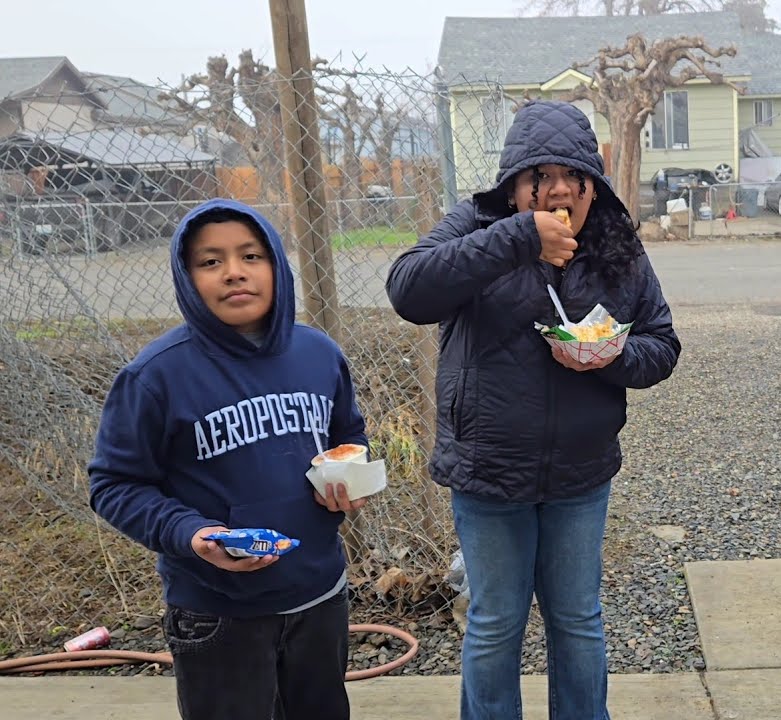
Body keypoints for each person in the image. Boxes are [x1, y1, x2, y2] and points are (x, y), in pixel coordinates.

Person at [386, 100, 680, 719]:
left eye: (574, 179)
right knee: (494, 624)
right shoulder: (478, 224)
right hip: (489, 473)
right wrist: (518, 239)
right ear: (513, 185)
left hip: (580, 471)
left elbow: (662, 343)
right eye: (539, 178)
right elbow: (408, 289)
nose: (558, 191)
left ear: (592, 187)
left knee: (578, 620)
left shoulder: (615, 246)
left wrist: (615, 359)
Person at [88, 199, 369, 720]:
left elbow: (348, 432)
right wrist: (190, 535)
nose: (234, 272)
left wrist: (350, 475)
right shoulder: (156, 376)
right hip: (217, 610)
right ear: (186, 276)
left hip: (319, 594)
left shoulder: (318, 353)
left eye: (251, 255)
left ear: (277, 267)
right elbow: (114, 484)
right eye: (211, 261)